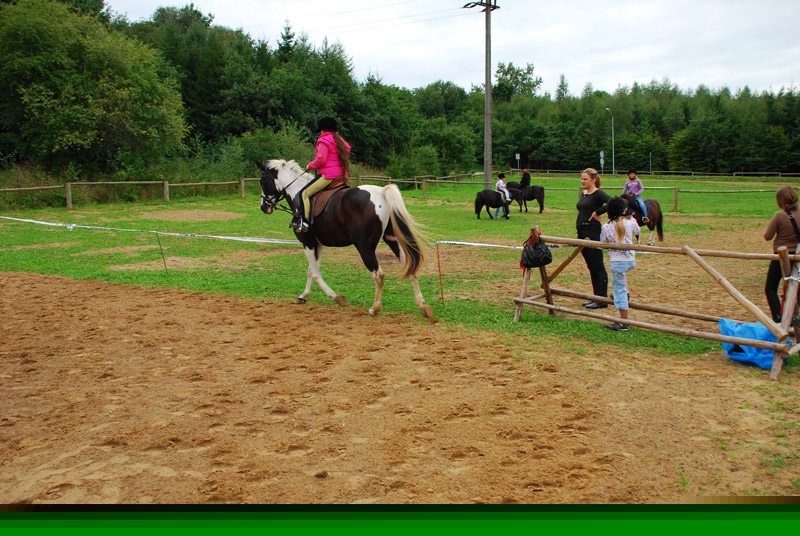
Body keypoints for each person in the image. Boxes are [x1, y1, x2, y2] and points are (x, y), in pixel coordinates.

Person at [291, 116, 351, 232]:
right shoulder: (341, 141)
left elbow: (321, 160)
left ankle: (304, 222)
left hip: (328, 176)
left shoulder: (323, 141)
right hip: (342, 177)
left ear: (323, 130)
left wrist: (310, 165)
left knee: (304, 193)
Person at [600, 197, 641, 331]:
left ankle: (623, 322)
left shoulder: (607, 226)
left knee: (619, 291)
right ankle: (626, 293)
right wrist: (631, 217)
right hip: (630, 260)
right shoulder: (629, 223)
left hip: (617, 262)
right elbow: (638, 231)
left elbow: (603, 243)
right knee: (621, 283)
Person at [763, 186, 800, 323]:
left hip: (782, 257)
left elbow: (768, 236)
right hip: (798, 255)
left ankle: (779, 320)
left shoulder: (780, 216)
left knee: (771, 288)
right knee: (795, 290)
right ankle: (795, 319)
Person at [576, 168, 611, 309]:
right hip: (582, 231)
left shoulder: (598, 194)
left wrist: (598, 211)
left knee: (597, 265)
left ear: (594, 180)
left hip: (592, 232)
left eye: (585, 179)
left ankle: (602, 299)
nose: (582, 181)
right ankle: (596, 297)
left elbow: (614, 202)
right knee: (591, 266)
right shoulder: (584, 194)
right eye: (582, 179)